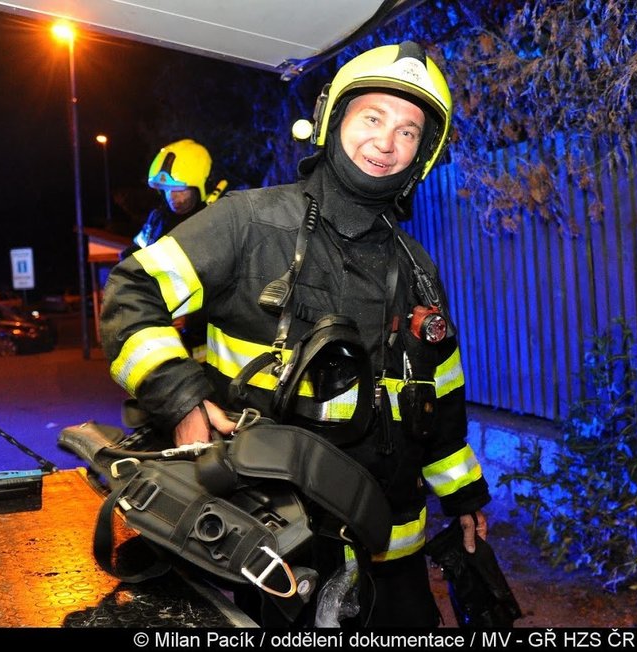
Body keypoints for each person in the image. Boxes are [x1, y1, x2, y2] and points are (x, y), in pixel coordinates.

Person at [100, 41, 490, 628]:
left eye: (409, 131)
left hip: (393, 549)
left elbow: (437, 393)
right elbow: (132, 290)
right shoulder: (247, 223)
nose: (387, 143)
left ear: (423, 154)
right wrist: (180, 395)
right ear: (334, 122)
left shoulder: (416, 267)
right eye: (373, 118)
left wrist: (462, 496)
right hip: (273, 550)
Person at [122, 139, 224, 363]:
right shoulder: (158, 219)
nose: (173, 198)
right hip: (163, 332)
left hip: (205, 343)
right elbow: (136, 254)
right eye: (167, 191)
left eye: (179, 190)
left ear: (201, 186)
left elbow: (222, 282)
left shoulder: (215, 221)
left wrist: (193, 319)